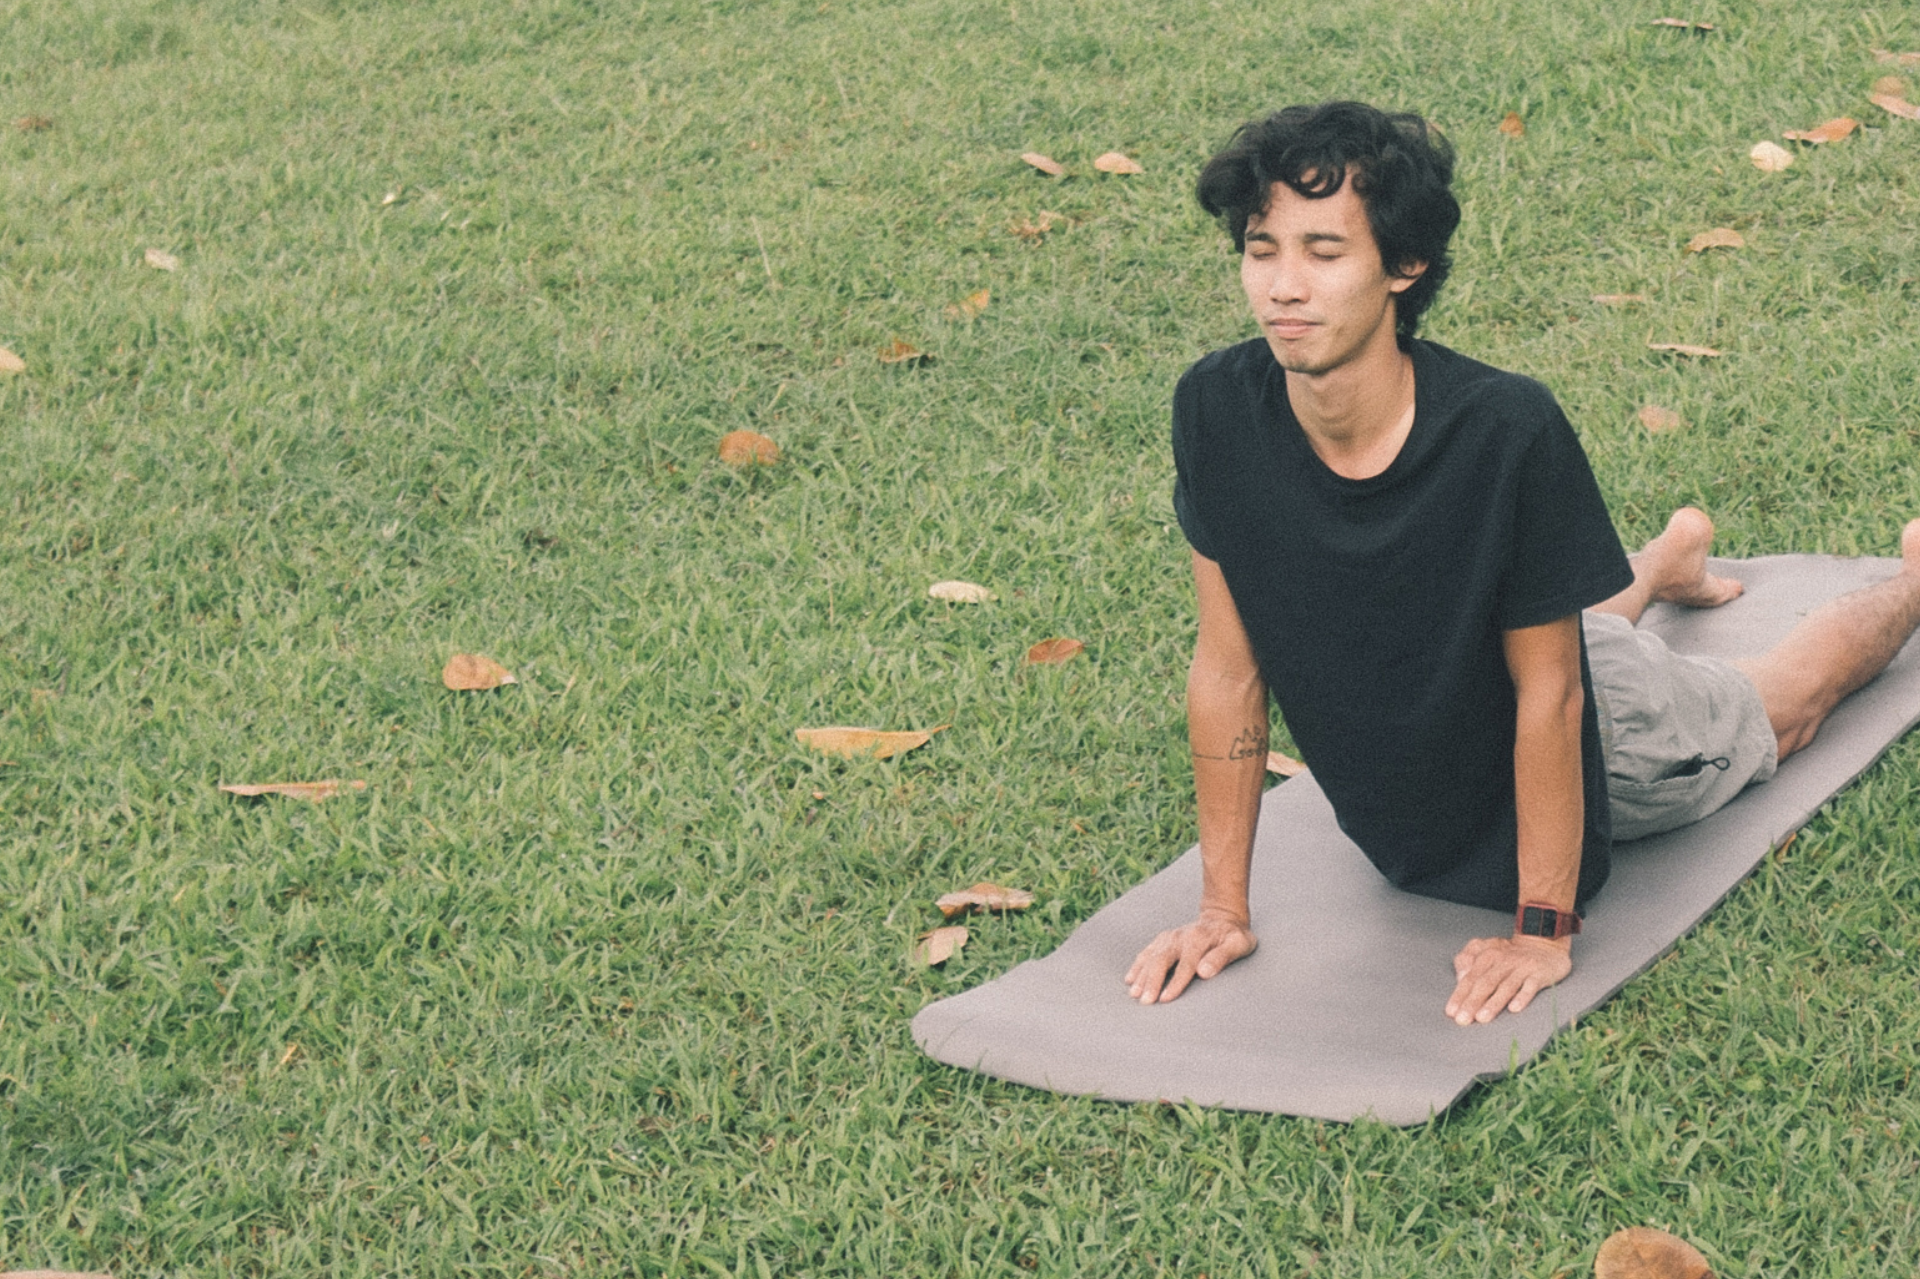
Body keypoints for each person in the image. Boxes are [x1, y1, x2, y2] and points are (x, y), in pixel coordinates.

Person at [1123, 100, 1920, 1026]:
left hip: (1598, 737)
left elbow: (1555, 692)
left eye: (1324, 253)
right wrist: (1221, 911)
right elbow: (1228, 667)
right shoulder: (1216, 408)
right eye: (1263, 250)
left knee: (1784, 702)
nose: (1284, 288)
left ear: (1404, 265)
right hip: (1472, 695)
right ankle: (1666, 562)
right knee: (1548, 621)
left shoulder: (1504, 431)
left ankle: (1910, 582)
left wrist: (1543, 926)